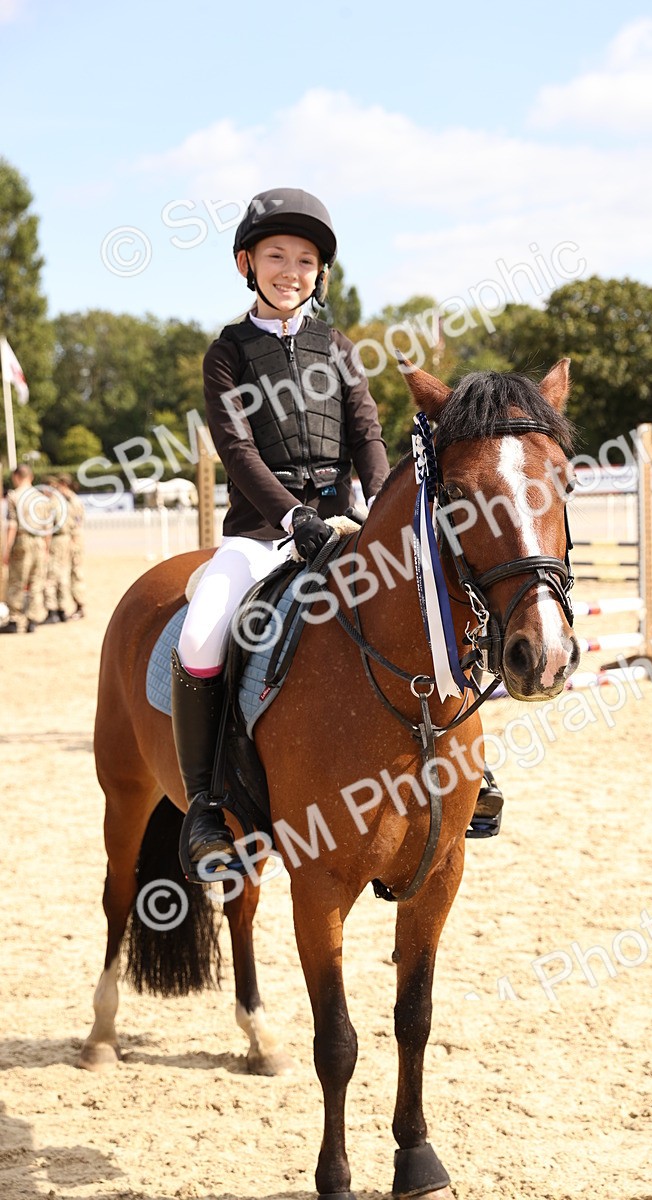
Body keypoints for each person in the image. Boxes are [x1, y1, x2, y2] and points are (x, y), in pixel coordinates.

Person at [172, 188, 391, 880]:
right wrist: (292, 517)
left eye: (305, 259)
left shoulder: (340, 347)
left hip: (345, 522)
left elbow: (366, 433)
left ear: (319, 273)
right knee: (201, 634)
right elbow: (237, 450)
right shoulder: (226, 353)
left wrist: (381, 501)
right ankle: (206, 803)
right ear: (247, 262)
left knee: (429, 595)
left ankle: (472, 767)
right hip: (262, 532)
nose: (291, 269)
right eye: (276, 256)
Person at [1, 464, 48, 633]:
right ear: (31, 477)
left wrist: (6, 550)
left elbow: (12, 525)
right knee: (36, 580)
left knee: (17, 581)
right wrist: (46, 548)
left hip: (22, 540)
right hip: (39, 542)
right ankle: (33, 620)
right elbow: (47, 526)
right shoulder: (40, 497)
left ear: (16, 477)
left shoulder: (14, 496)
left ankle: (14, 619)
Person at [42, 476, 72, 623]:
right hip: (66, 540)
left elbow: (48, 528)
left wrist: (46, 548)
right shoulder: (64, 502)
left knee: (50, 576)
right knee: (63, 575)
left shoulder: (51, 504)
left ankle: (52, 611)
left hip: (56, 540)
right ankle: (62, 610)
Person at [60, 474, 86, 619]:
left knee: (76, 573)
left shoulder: (73, 501)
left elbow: (77, 522)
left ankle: (80, 605)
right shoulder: (67, 500)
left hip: (74, 539)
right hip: (72, 538)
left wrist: (73, 541)